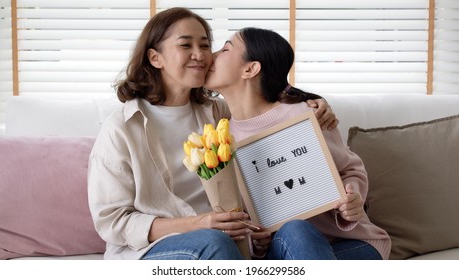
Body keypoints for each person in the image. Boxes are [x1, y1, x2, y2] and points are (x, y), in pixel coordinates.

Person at [88, 7, 337, 260]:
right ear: (155, 58)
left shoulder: (220, 112)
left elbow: (264, 104)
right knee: (213, 241)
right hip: (151, 250)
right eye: (185, 45)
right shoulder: (121, 128)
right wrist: (196, 224)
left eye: (205, 45)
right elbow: (113, 222)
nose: (200, 55)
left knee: (293, 232)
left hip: (227, 241)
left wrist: (312, 103)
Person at [204, 27, 391, 260]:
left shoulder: (305, 115)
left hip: (349, 245)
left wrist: (353, 197)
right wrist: (256, 241)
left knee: (296, 228)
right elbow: (246, 214)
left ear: (250, 68)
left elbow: (349, 169)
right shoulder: (222, 140)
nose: (212, 55)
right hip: (284, 249)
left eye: (225, 49)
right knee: (293, 230)